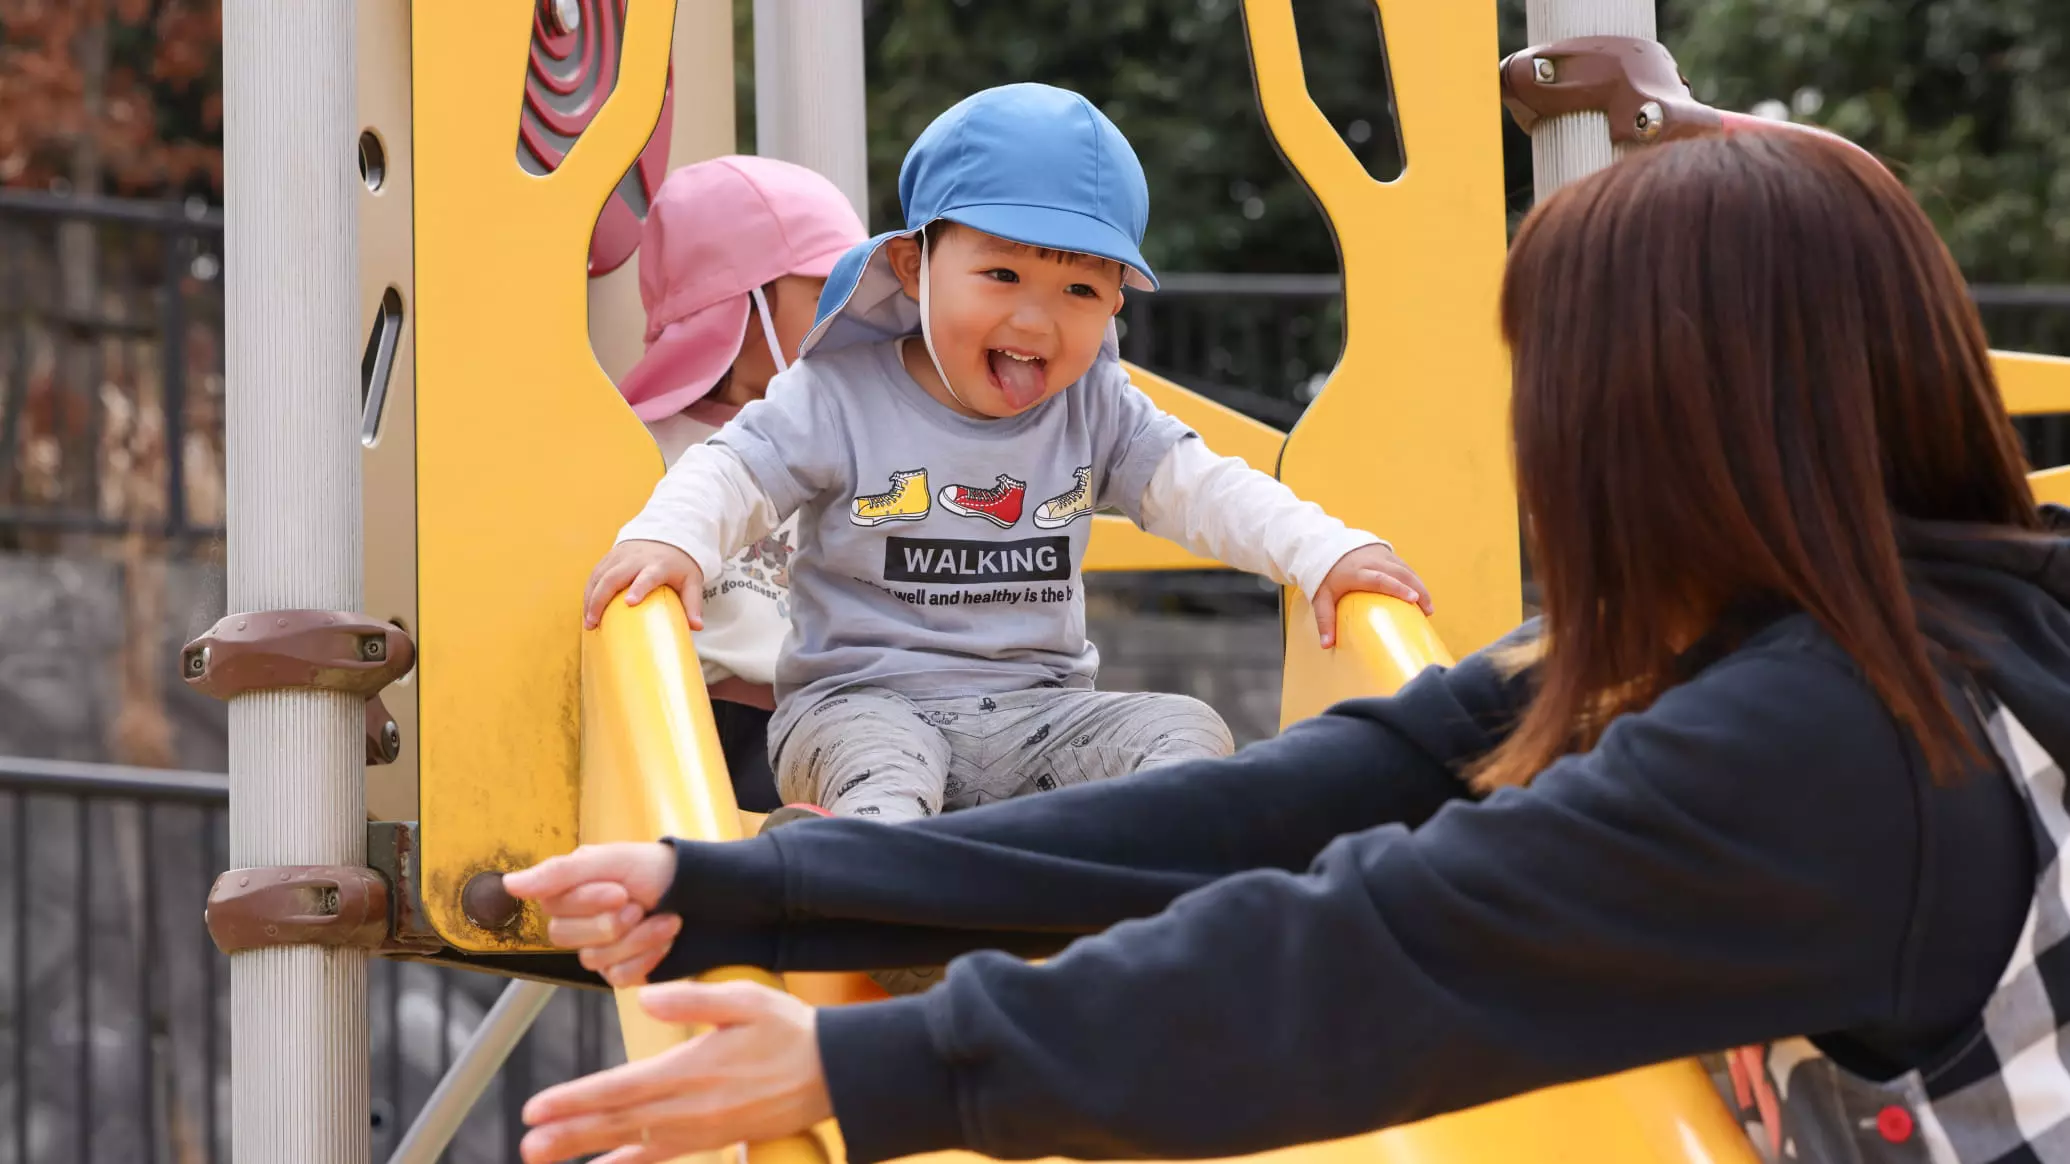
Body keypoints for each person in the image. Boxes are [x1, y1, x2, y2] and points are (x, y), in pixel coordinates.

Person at [509, 130, 2070, 1164]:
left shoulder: (1830, 745)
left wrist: (876, 1068)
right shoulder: (1843, 633)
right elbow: (1330, 790)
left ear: (1631, 423)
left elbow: (1382, 951)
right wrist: (759, 889)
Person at [583, 82, 1431, 833]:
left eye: (1080, 290)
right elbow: (730, 468)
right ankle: (872, 884)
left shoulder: (1094, 406)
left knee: (1185, 730)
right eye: (1001, 274)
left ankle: (1148, 883)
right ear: (915, 267)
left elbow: (1205, 489)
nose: (1037, 321)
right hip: (866, 704)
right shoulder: (838, 395)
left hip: (1041, 717)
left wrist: (1328, 553)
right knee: (882, 769)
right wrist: (674, 542)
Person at [603, 155, 868, 812]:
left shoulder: (847, 445)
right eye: (825, 295)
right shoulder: (635, 450)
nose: (853, 320)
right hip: (701, 724)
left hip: (836, 723)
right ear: (741, 303)